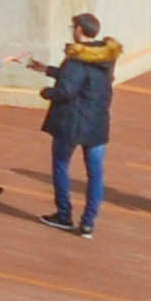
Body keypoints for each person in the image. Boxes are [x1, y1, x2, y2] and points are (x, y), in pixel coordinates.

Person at [41, 13, 121, 234]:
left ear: (78, 30)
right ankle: (88, 222)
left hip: (72, 123)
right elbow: (84, 79)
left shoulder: (76, 59)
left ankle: (64, 214)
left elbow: (67, 89)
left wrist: (47, 92)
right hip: (97, 122)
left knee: (61, 164)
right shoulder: (107, 57)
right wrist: (46, 69)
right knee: (95, 174)